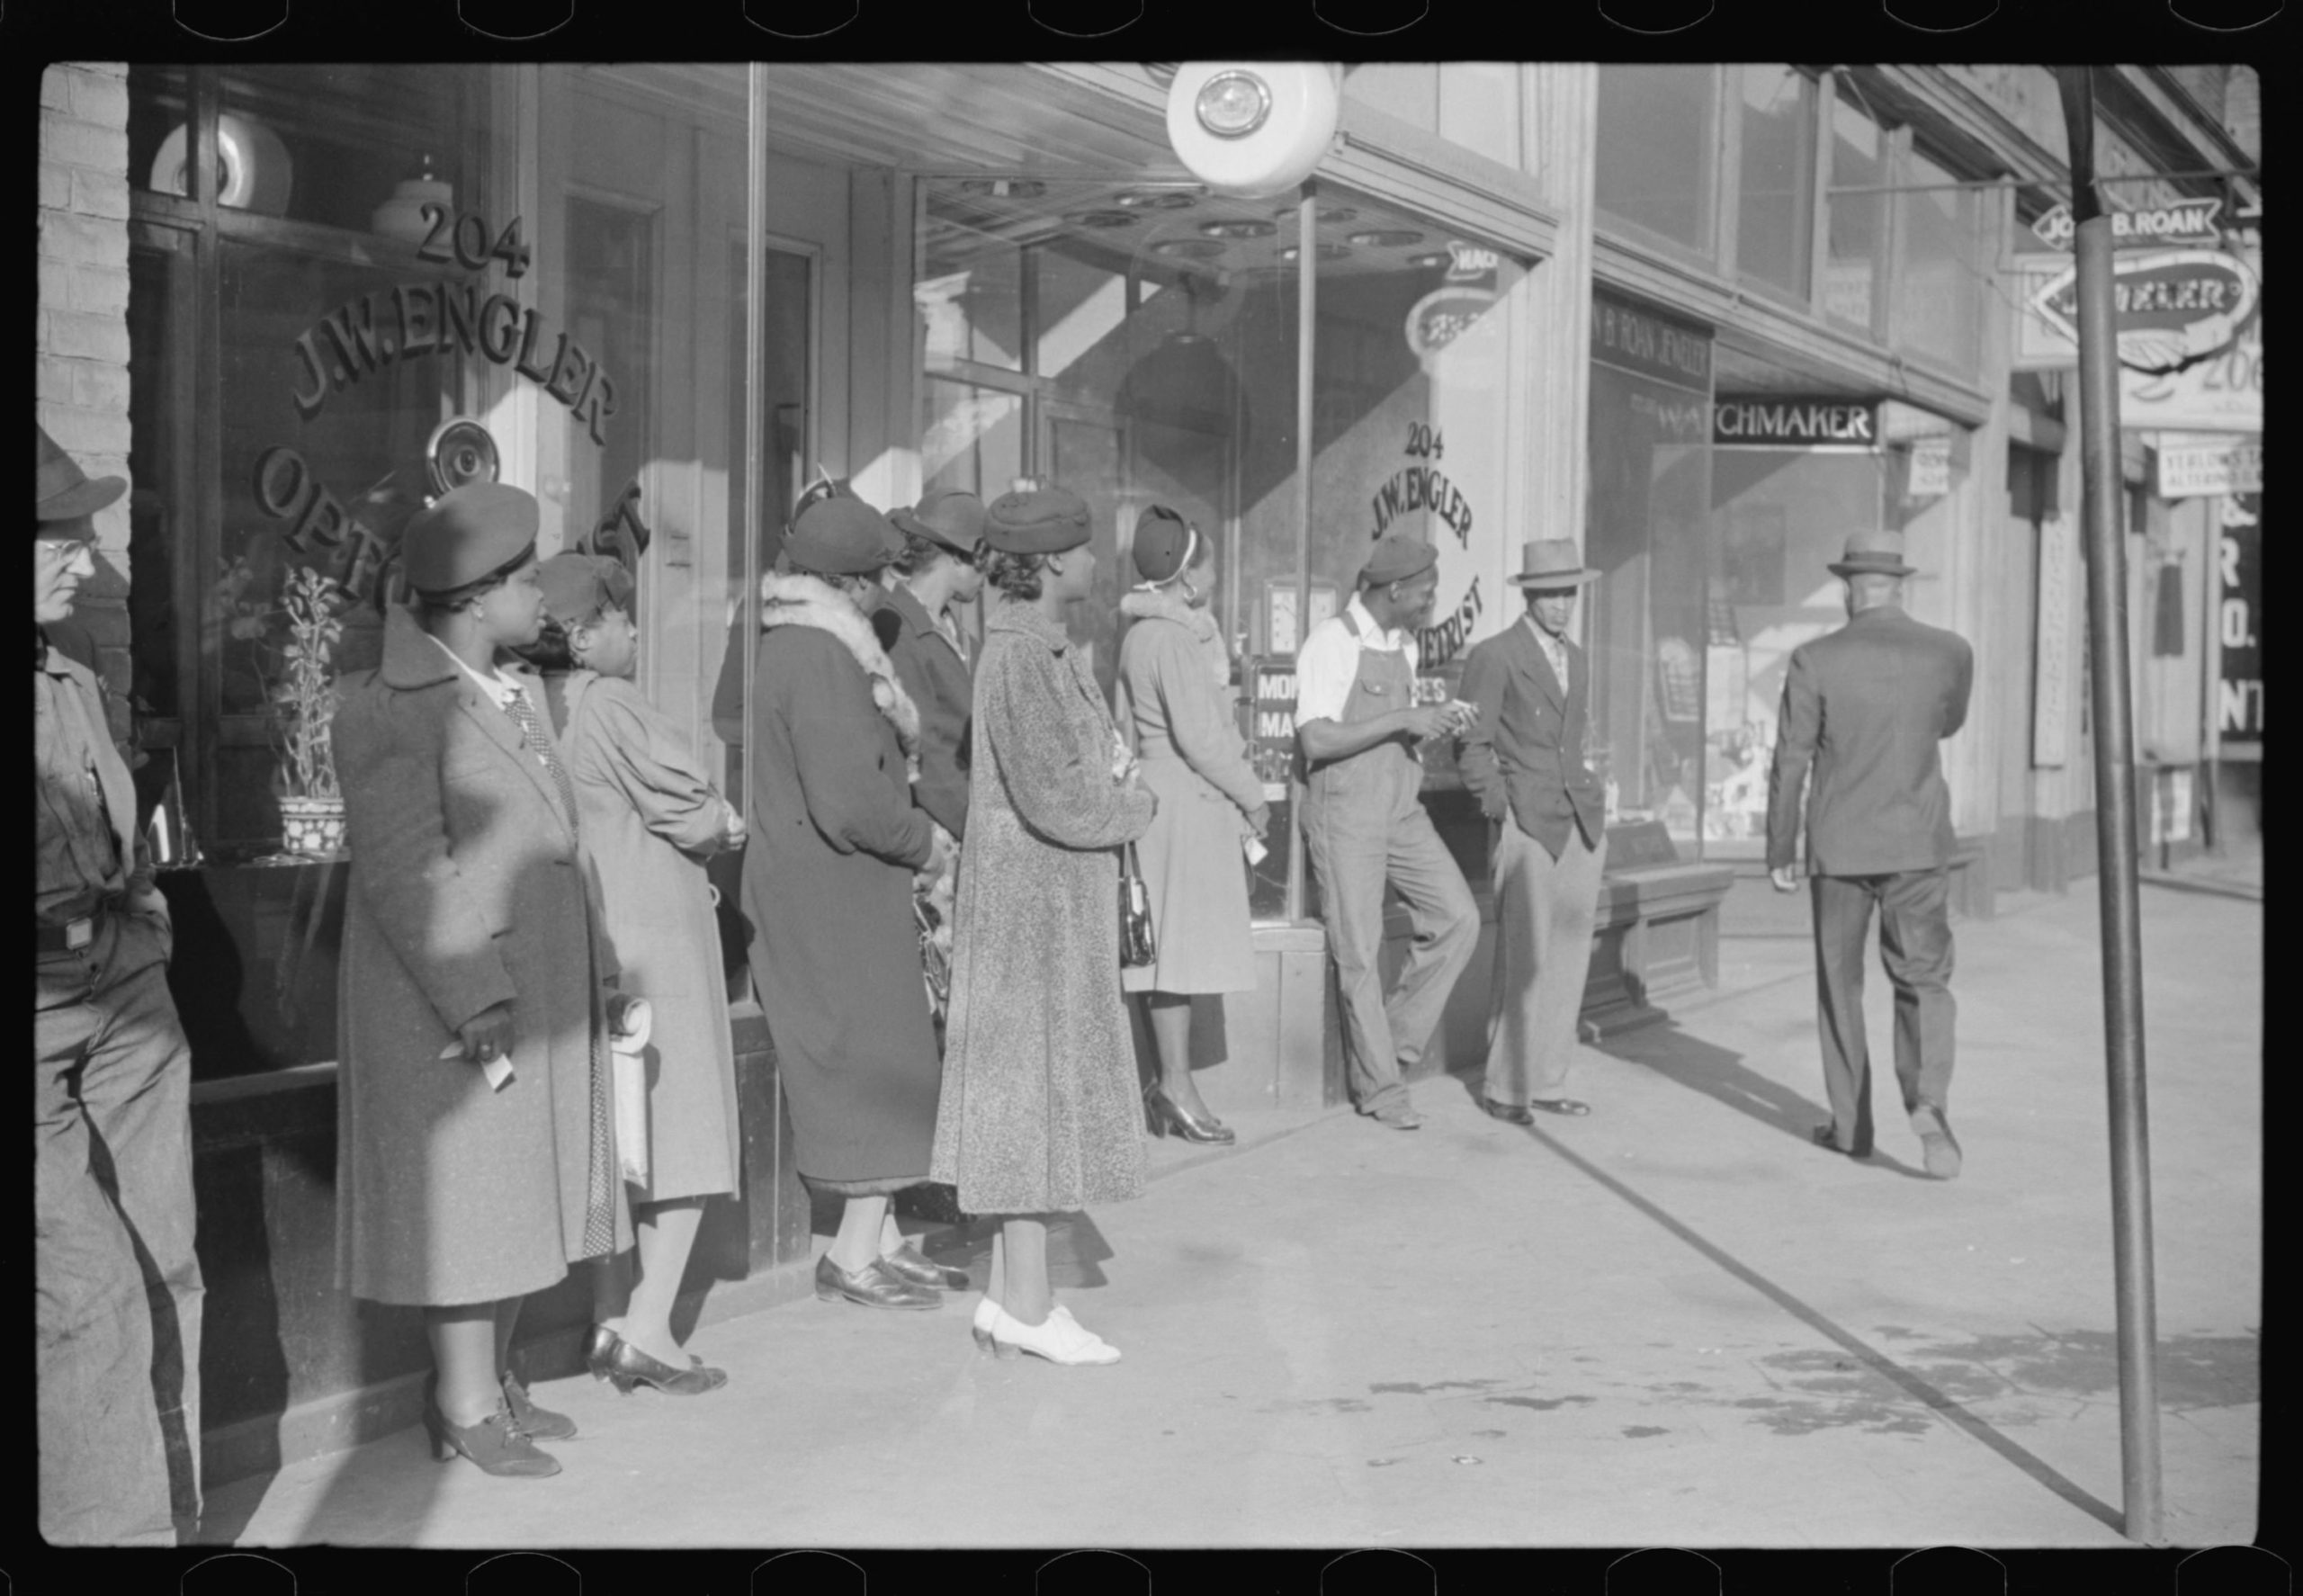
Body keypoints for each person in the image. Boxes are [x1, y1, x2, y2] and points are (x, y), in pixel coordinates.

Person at [333, 483, 629, 1478]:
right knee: (474, 1199)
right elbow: (407, 870)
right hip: (458, 997)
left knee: (517, 1189)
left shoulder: (509, 686)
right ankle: (462, 1402)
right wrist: (477, 996)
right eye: (527, 578)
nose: (544, 593)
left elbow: (562, 848)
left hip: (532, 983)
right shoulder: (393, 708)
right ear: (474, 597)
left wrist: (603, 968)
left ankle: (491, 1378)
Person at [931, 485, 1157, 1366]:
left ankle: (1016, 1296)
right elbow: (1057, 795)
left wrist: (1115, 782)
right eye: (1089, 549)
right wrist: (1134, 808)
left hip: (1051, 909)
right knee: (1028, 1104)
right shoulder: (1019, 659)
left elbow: (1085, 763)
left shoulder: (1044, 651)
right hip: (1030, 914)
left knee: (1041, 1101)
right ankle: (1024, 1302)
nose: (1099, 564)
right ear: (1057, 561)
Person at [36, 423, 204, 1543]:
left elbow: (111, 828)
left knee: (167, 1263)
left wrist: (143, 916)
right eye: (55, 535)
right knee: (86, 1289)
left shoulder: (72, 673)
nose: (82, 560)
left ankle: (174, 1521)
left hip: (127, 996)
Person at [524, 552, 745, 1395]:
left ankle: (610, 1320)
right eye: (621, 618)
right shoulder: (611, 702)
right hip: (657, 939)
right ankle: (651, 1331)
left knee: (618, 1145)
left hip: (592, 936)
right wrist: (723, 818)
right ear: (584, 635)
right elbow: (695, 814)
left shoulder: (538, 703)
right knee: (682, 1130)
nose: (637, 630)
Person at [741, 493, 962, 1311]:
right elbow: (849, 803)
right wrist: (926, 842)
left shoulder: (790, 643)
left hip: (820, 884)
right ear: (850, 582)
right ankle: (854, 1253)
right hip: (832, 888)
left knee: (884, 1052)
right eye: (875, 578)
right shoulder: (823, 656)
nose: (881, 592)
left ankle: (885, 1238)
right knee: (878, 1062)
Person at [1767, 529, 1976, 1179]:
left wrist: (1781, 846)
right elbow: (1948, 722)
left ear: (1847, 590)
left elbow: (1792, 758)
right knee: (1924, 978)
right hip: (1916, 842)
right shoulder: (1949, 652)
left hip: (1840, 846)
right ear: (1899, 586)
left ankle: (1852, 1128)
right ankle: (1928, 1100)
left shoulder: (1813, 659)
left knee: (1841, 985)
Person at [1295, 532, 1480, 1130]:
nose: (1432, 601)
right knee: (1360, 951)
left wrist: (1432, 724)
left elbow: (1392, 730)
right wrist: (1403, 716)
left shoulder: (1402, 644)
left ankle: (1389, 1049)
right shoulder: (1331, 642)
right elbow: (1315, 739)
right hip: (1345, 811)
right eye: (1426, 592)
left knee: (1459, 917)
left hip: (1400, 805)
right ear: (1395, 589)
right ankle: (1381, 1088)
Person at [1114, 506, 1268, 1144]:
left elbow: (1127, 731)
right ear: (1188, 576)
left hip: (1158, 799)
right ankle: (1175, 1086)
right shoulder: (1175, 639)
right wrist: (1254, 799)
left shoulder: (1139, 635)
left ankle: (1172, 1085)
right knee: (1176, 956)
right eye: (1203, 561)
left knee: (1167, 954)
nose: (1210, 572)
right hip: (1188, 805)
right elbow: (1203, 739)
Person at [1456, 540, 1609, 1123]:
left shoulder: (1579, 655)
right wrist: (1504, 808)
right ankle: (1505, 1087)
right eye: (1550, 594)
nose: (1561, 605)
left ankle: (1545, 1080)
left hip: (1579, 821)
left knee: (1568, 957)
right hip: (1526, 819)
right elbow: (1472, 746)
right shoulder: (1495, 655)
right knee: (1524, 958)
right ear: (1528, 594)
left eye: (1568, 593)